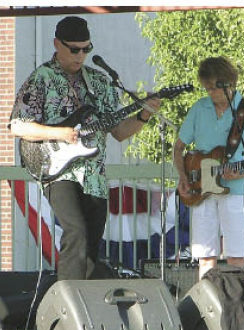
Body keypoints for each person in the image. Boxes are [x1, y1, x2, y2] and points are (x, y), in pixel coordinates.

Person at [9, 16, 161, 280]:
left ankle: (89, 309)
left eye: (86, 49)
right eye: (74, 49)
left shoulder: (100, 82)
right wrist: (60, 133)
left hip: (95, 175)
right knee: (75, 232)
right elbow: (17, 126)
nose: (81, 56)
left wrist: (144, 115)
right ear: (57, 44)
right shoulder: (41, 78)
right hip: (58, 171)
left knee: (90, 248)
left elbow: (120, 133)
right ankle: (68, 300)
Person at [174, 56, 244, 280]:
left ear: (229, 83)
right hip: (200, 190)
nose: (211, 93)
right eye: (207, 88)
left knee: (235, 256)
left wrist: (241, 172)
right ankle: (207, 305)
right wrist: (184, 177)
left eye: (214, 87)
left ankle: (237, 304)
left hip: (235, 192)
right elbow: (178, 148)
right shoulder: (199, 108)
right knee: (205, 256)